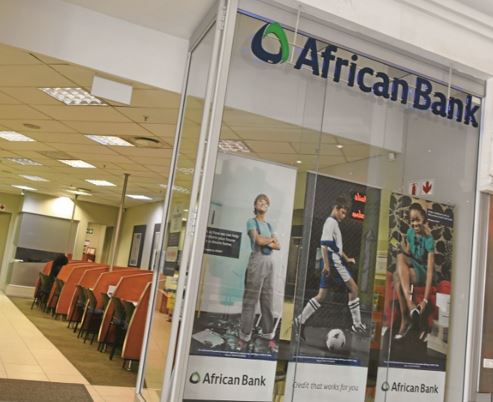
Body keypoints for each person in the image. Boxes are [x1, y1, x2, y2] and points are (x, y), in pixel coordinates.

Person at [295, 195, 366, 340]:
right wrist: (327, 265)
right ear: (336, 208)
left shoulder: (333, 223)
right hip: (333, 263)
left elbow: (335, 247)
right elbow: (324, 244)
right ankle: (357, 325)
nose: (344, 216)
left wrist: (347, 258)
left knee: (321, 296)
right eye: (343, 212)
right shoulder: (331, 222)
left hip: (331, 261)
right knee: (354, 289)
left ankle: (300, 321)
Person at [238, 194, 280, 351]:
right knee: (251, 300)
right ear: (255, 205)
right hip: (257, 260)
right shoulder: (251, 222)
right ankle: (244, 336)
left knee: (267, 300)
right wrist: (270, 240)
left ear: (268, 207)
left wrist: (266, 240)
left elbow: (278, 245)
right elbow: (258, 240)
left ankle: (268, 335)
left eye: (266, 203)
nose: (263, 204)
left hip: (269, 263)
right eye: (260, 202)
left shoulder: (269, 226)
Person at [393, 202, 435, 339]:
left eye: (417, 220)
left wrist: (425, 300)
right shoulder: (410, 232)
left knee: (397, 276)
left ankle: (406, 318)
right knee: (400, 258)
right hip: (412, 265)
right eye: (412, 220)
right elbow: (410, 253)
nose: (415, 223)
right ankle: (409, 309)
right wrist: (403, 248)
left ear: (424, 219)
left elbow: (430, 271)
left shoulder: (429, 239)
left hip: (422, 271)